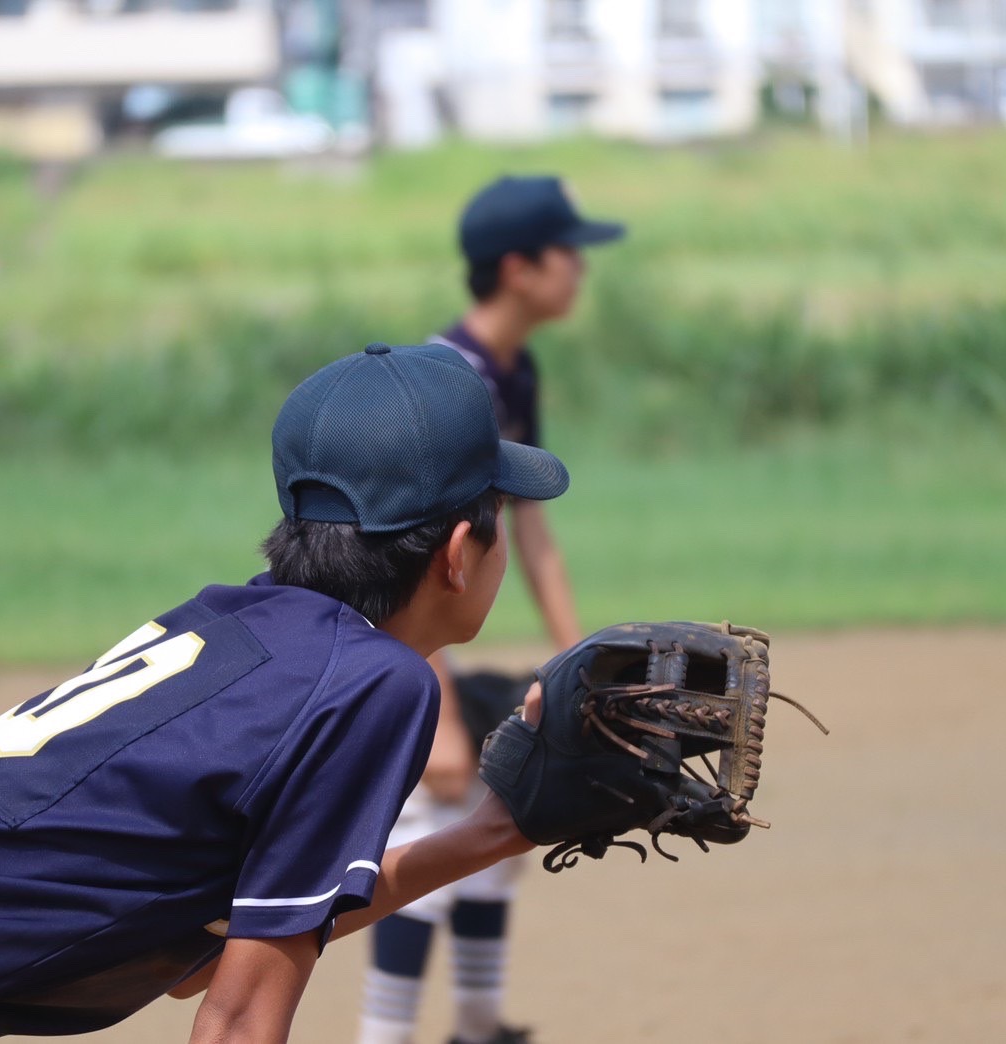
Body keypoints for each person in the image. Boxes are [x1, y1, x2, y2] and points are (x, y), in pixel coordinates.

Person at [0, 342, 569, 1044]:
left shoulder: (236, 634)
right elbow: (235, 1020)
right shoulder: (374, 686)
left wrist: (497, 832)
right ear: (460, 550)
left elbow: (217, 952)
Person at [358, 177, 624, 1044]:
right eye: (567, 251)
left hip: (423, 647)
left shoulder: (513, 371)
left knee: (499, 816)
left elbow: (532, 529)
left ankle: (476, 1027)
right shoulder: (447, 384)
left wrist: (578, 662)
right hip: (389, 644)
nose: (581, 268)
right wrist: (434, 714)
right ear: (517, 268)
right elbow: (401, 563)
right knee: (430, 822)